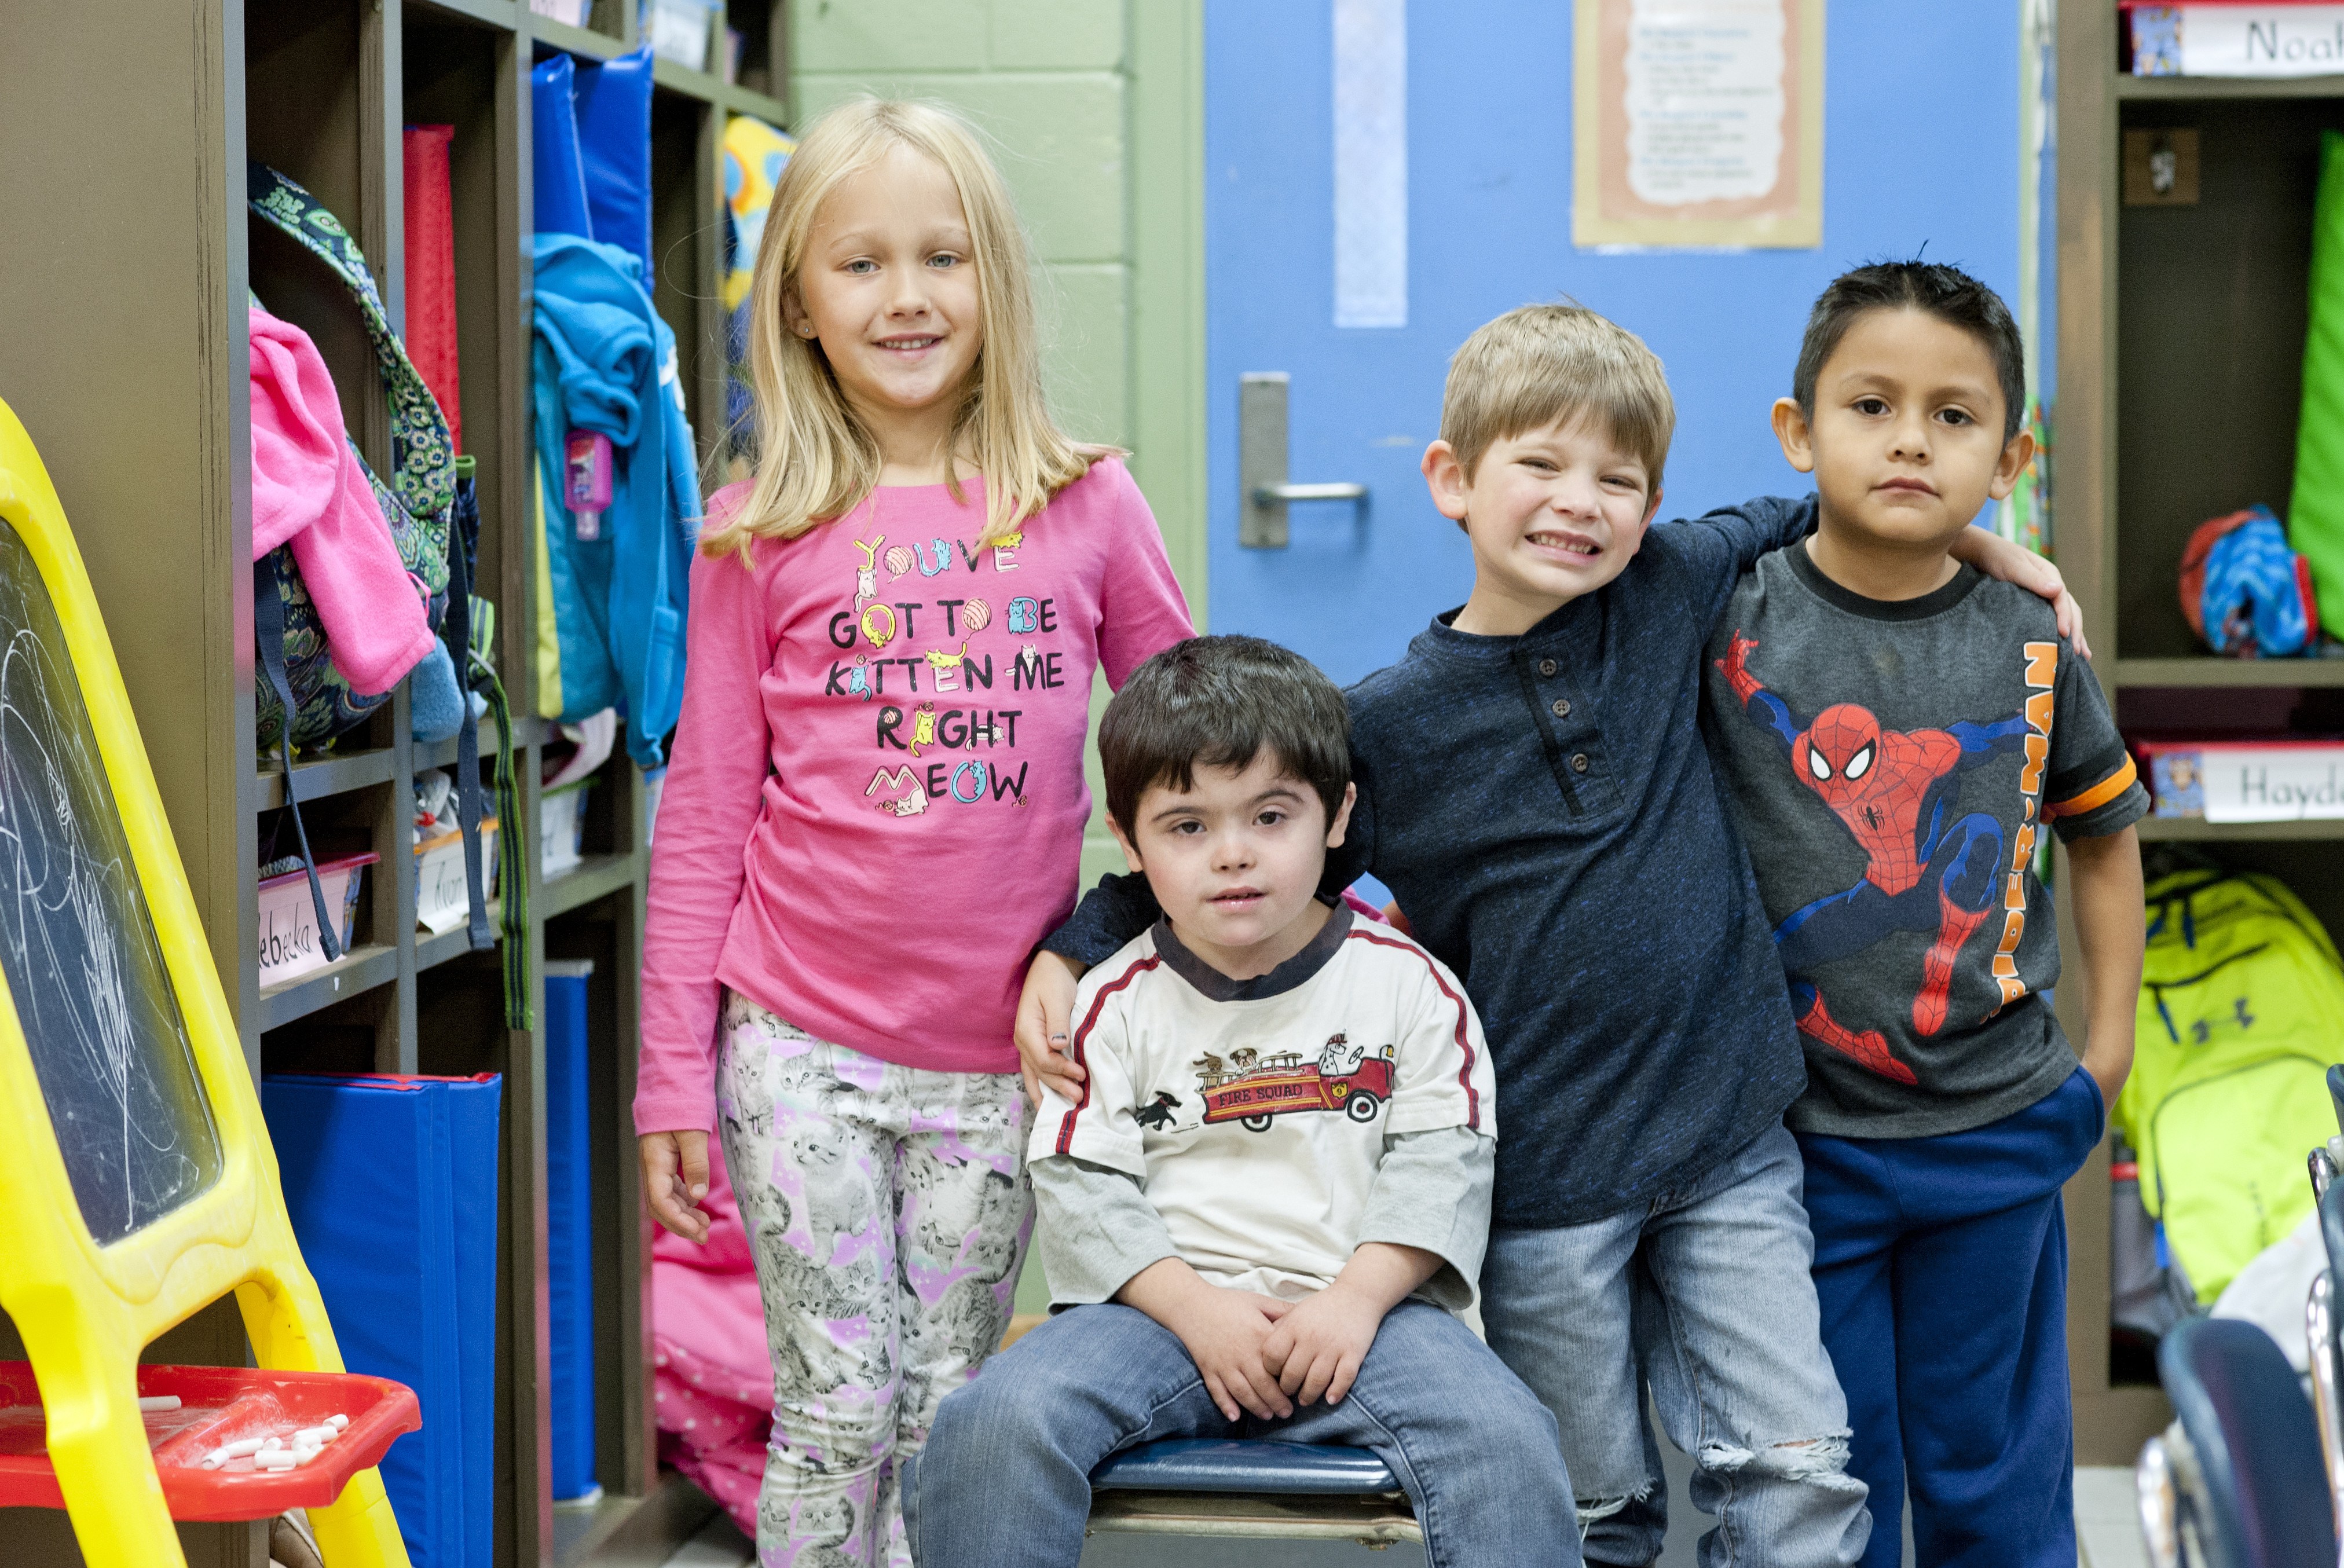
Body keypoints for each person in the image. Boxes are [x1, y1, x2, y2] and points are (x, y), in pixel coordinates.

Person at [1021, 304, 2081, 1564]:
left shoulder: (1669, 588)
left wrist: (1969, 536)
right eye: (1539, 465)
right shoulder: (1384, 732)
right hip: (1543, 1183)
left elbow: (1818, 506)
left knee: (1797, 1473)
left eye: (1616, 480)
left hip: (1730, 1137)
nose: (1579, 502)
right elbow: (1238, 844)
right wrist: (1078, 943)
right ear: (1452, 481)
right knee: (1590, 1506)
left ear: (1650, 506)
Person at [633, 98, 1193, 1567]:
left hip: (997, 1062)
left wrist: (1104, 942)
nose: (906, 297)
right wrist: (668, 1077)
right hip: (795, 1045)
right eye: (860, 263)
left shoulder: (1085, 504)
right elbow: (703, 818)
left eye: (941, 257)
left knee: (949, 1404)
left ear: (991, 280)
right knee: (833, 1409)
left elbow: (1193, 757)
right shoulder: (753, 532)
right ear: (798, 307)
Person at [905, 635, 1577, 1567]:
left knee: (1505, 1440)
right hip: (1154, 1317)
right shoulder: (1110, 997)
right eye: (1187, 827)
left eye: (1270, 816)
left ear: (1337, 816)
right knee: (992, 1425)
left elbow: (1444, 1165)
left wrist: (1354, 1301)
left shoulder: (1412, 986)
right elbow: (1082, 1184)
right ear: (1129, 840)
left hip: (1373, 1319)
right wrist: (1195, 1309)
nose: (1232, 855)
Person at [1705, 260, 2145, 1567]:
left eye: (1952, 417)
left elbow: (2104, 839)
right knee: (1827, 1480)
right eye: (1871, 405)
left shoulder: (2031, 640)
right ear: (1798, 434)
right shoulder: (1725, 620)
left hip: (1995, 1128)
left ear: (2008, 459)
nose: (1909, 439)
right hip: (1792, 1149)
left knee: (1993, 1474)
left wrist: (2106, 1058)